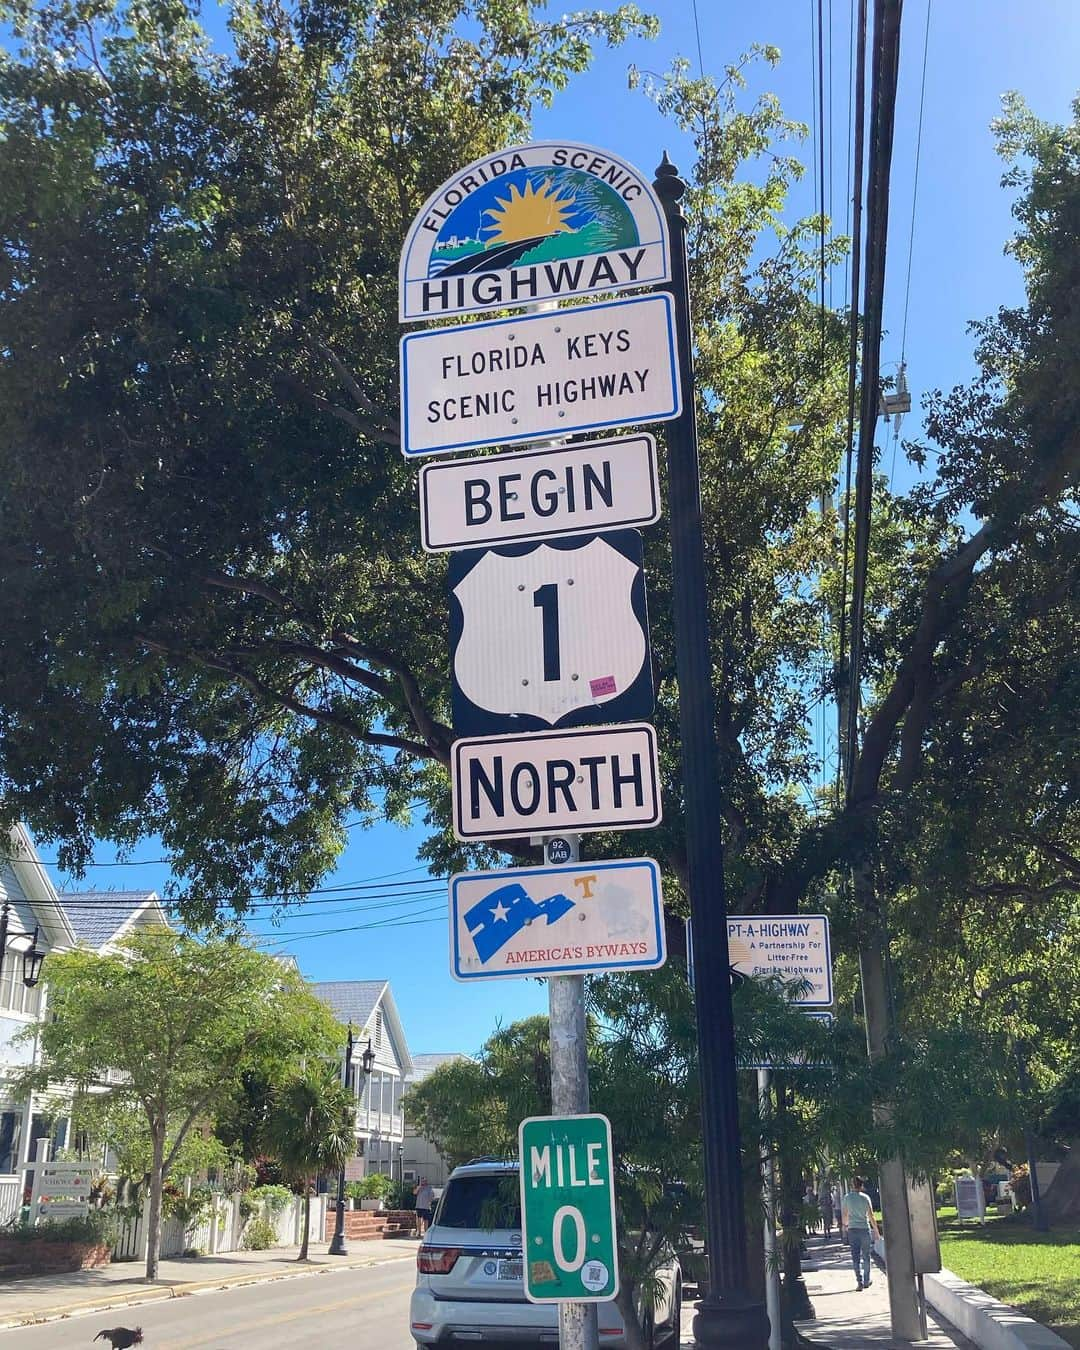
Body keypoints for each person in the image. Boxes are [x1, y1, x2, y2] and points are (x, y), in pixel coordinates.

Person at [842, 1177, 880, 1291]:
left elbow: (845, 1215)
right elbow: (871, 1216)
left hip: (853, 1230)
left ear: (852, 1185)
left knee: (855, 1257)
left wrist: (845, 1226)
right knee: (866, 1256)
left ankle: (859, 1281)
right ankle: (867, 1280)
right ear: (861, 1186)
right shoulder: (865, 1198)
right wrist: (876, 1231)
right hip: (864, 1229)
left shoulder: (847, 1198)